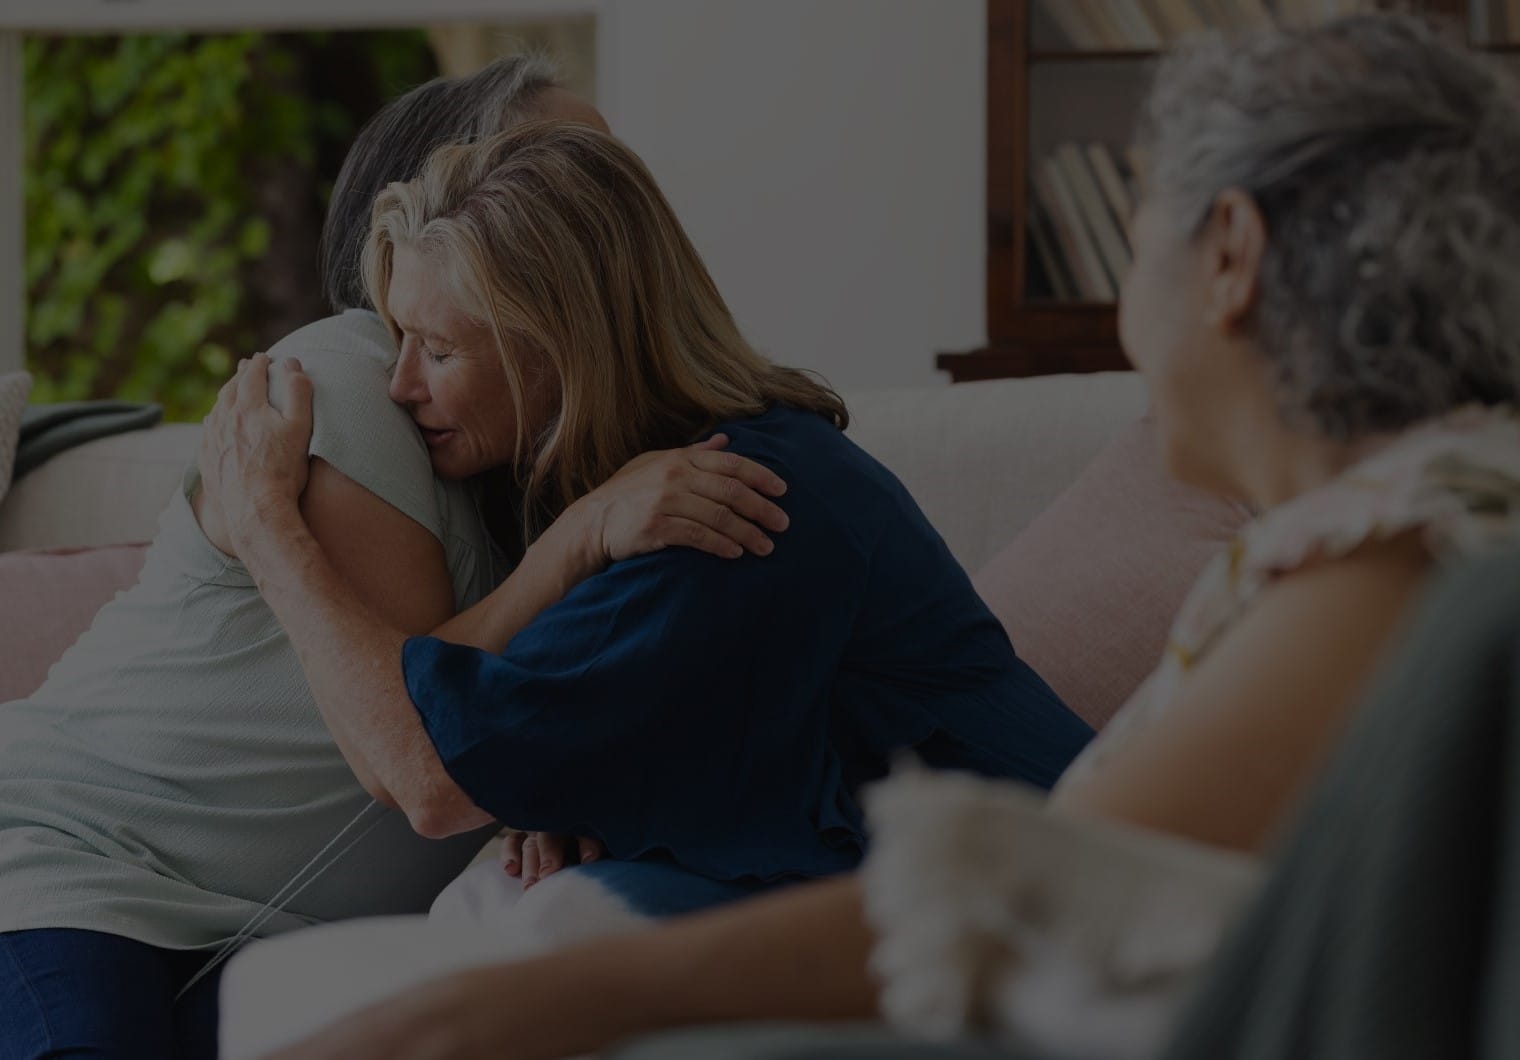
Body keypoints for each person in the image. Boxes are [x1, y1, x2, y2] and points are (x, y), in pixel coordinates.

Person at [251, 13, 1520, 1060]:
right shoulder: (1382, 538)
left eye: (1137, 239)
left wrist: (549, 999)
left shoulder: (1394, 555)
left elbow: (1031, 903)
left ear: (1228, 255)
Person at [196, 113, 1097, 1050]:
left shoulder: (729, 501)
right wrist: (580, 793)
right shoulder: (638, 492)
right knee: (502, 910)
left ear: (564, 346)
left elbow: (425, 780)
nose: (402, 386)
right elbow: (561, 739)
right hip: (896, 891)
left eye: (442, 349)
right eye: (400, 340)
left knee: (508, 938)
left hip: (1043, 930)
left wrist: (269, 529)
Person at [0, 56, 789, 1060]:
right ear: (454, 205)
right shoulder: (351, 376)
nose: (604, 202)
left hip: (264, 934)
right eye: (555, 165)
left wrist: (561, 791)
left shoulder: (549, 452)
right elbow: (423, 742)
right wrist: (578, 537)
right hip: (65, 859)